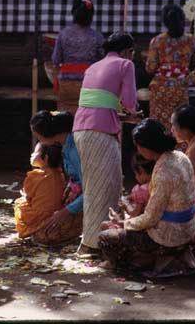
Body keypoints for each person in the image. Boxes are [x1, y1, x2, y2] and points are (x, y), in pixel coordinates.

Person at [98, 118, 195, 272]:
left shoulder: (162, 171)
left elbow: (150, 218)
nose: (138, 150)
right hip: (189, 228)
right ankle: (167, 256)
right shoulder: (181, 157)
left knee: (105, 237)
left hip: (167, 237)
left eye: (139, 146)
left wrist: (123, 224)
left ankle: (120, 263)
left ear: (147, 146)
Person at [73, 31, 139, 255]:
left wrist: (122, 113)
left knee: (93, 187)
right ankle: (98, 242)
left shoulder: (92, 67)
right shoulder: (126, 65)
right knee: (108, 187)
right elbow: (130, 102)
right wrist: (134, 113)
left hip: (81, 129)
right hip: (100, 132)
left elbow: (98, 103)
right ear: (128, 50)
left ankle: (89, 241)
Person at [145, 4, 195, 130]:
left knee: (159, 127)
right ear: (183, 19)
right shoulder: (190, 40)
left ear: (165, 21)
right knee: (180, 125)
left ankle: (159, 149)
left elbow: (150, 68)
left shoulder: (157, 41)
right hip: (180, 88)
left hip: (160, 89)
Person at [29, 110, 83, 244]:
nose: (38, 141)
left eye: (39, 137)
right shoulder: (64, 141)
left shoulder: (74, 150)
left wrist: (66, 212)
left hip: (88, 198)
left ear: (49, 134)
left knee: (43, 235)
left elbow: (91, 188)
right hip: (76, 194)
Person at [49, 0, 104, 113]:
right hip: (89, 86)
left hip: (66, 86)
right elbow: (103, 63)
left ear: (74, 14)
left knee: (64, 120)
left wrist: (56, 82)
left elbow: (55, 61)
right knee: (86, 120)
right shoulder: (97, 37)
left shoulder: (63, 35)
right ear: (91, 16)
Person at [14, 144, 65, 239]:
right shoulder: (60, 175)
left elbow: (29, 196)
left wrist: (25, 196)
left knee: (19, 202)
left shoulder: (35, 175)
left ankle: (28, 230)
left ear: (45, 158)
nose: (31, 155)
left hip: (38, 217)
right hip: (55, 216)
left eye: (34, 153)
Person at [102, 153, 154, 229]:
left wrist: (126, 206)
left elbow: (135, 213)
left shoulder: (143, 190)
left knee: (104, 225)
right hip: (151, 222)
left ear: (141, 171)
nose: (136, 177)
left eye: (136, 174)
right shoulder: (155, 184)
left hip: (140, 225)